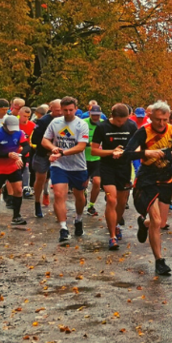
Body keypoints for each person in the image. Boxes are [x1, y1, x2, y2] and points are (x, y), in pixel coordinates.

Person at [124, 100, 172, 275]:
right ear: (151, 117)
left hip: (166, 178)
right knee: (157, 221)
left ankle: (144, 223)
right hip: (147, 179)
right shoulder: (143, 132)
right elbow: (127, 154)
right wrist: (146, 153)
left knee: (161, 223)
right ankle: (159, 261)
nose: (162, 123)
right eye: (158, 119)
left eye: (165, 119)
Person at [41, 97, 90, 245]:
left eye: (71, 110)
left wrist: (62, 153)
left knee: (79, 196)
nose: (68, 113)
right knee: (58, 194)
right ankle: (63, 228)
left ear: (76, 109)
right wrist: (53, 148)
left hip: (78, 166)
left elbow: (81, 147)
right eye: (65, 110)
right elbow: (45, 140)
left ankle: (79, 218)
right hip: (59, 165)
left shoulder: (81, 124)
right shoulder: (55, 123)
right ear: (61, 109)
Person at [91, 104, 138, 251]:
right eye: (118, 121)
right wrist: (112, 151)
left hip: (124, 168)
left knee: (122, 202)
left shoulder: (131, 125)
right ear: (112, 116)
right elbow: (94, 150)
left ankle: (115, 224)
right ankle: (112, 236)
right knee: (112, 199)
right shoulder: (102, 127)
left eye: (124, 120)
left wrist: (127, 153)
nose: (121, 124)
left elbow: (138, 146)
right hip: (107, 167)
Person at [31, 99, 62, 217]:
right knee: (40, 178)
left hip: (59, 154)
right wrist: (49, 149)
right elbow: (35, 140)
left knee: (60, 180)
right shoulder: (43, 121)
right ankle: (37, 202)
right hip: (43, 154)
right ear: (50, 108)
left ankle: (59, 206)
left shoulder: (65, 120)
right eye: (58, 110)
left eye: (61, 110)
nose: (60, 113)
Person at [82, 105, 104, 217]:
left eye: (97, 115)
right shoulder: (83, 123)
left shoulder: (103, 124)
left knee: (97, 182)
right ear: (89, 113)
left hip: (98, 159)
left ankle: (91, 205)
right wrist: (89, 144)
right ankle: (84, 192)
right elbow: (78, 140)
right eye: (93, 115)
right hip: (84, 158)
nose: (95, 117)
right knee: (83, 183)